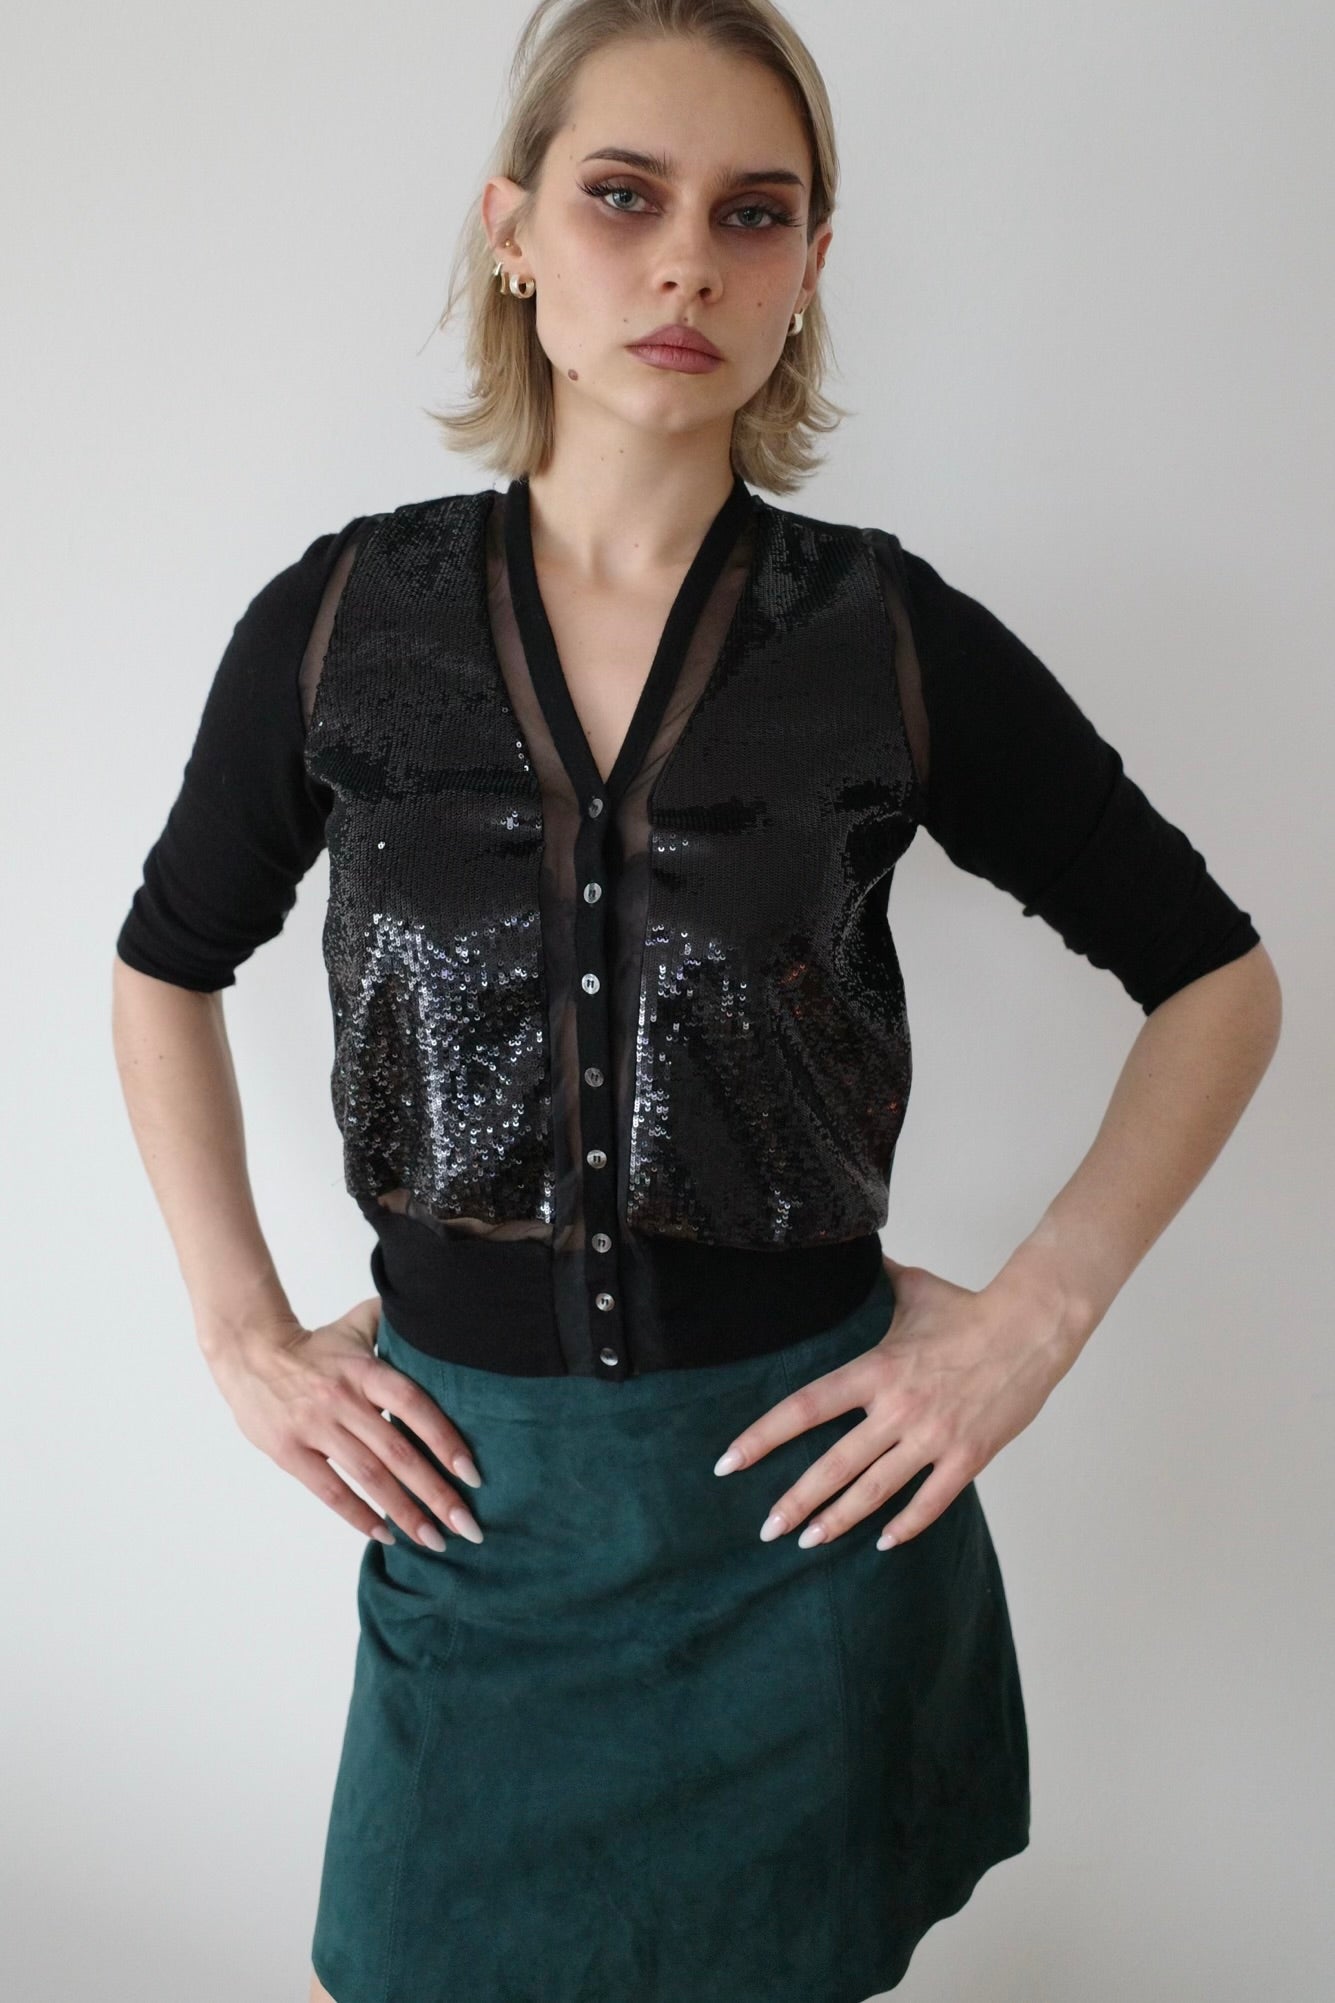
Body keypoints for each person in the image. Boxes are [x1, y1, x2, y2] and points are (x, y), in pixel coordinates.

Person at [110, 3, 1281, 2000]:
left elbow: (1213, 984)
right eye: (622, 197)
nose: (684, 266)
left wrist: (1035, 1318)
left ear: (808, 264)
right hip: (472, 1519)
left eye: (752, 213)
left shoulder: (883, 637)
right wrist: (239, 1333)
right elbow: (165, 965)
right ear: (512, 232)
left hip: (806, 1519)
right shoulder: (343, 623)